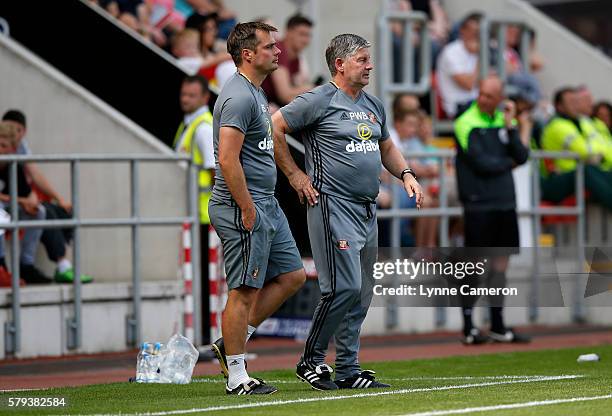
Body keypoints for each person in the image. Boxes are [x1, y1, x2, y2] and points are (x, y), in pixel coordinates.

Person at [272, 33, 423, 390]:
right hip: (331, 206)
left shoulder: (373, 105)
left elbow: (386, 145)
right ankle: (310, 360)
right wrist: (294, 175)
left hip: (367, 211)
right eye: (362, 59)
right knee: (343, 287)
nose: (370, 65)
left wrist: (406, 174)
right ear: (340, 64)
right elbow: (276, 125)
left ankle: (348, 369)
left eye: (369, 59)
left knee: (362, 291)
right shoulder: (318, 100)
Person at [208, 22, 306, 395]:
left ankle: (229, 343)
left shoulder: (255, 92)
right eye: (269, 47)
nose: (277, 52)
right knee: (243, 290)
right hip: (244, 205)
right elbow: (228, 160)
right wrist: (247, 207)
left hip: (267, 203)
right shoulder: (238, 96)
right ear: (248, 54)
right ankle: (236, 376)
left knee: (293, 275)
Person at [454, 76, 531, 345]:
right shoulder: (465, 122)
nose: (483, 99)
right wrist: (508, 163)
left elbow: (522, 156)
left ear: (500, 99)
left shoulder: (502, 122)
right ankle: (468, 327)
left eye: (489, 96)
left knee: (500, 267)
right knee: (475, 266)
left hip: (504, 203)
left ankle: (498, 325)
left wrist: (511, 127)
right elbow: (481, 162)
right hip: (478, 203)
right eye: (482, 93)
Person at [2, 110, 92, 284]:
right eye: (10, 128)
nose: (15, 133)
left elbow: (32, 178)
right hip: (10, 201)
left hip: (17, 197)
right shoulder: (6, 152)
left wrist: (57, 199)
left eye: (18, 130)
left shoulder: (17, 154)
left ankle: (30, 266)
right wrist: (24, 200)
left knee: (48, 210)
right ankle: (61, 265)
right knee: (44, 211)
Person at [173, 75, 215, 344]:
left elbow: (214, 170)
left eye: (191, 95)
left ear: (204, 98)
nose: (185, 99)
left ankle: (205, 338)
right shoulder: (189, 125)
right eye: (183, 94)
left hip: (204, 217)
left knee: (204, 283)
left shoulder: (202, 128)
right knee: (199, 282)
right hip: (193, 215)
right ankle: (201, 337)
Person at [540, 88, 612, 209]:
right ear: (560, 106)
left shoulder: (583, 122)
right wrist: (598, 154)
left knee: (602, 172)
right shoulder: (557, 125)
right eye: (571, 101)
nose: (576, 105)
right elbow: (584, 151)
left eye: (576, 101)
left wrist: (599, 155)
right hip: (555, 180)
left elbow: (603, 148)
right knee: (587, 170)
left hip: (577, 175)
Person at [0, 122, 48, 285]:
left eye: (3, 145)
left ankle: (26, 265)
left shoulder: (13, 165)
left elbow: (27, 192)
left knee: (38, 211)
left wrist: (30, 203)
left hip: (8, 204)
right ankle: (1, 267)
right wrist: (21, 201)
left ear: (12, 149)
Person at [261, 14, 315, 109]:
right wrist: (311, 88)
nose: (306, 40)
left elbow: (293, 93)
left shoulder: (296, 59)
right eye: (302, 34)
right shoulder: (278, 50)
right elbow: (285, 95)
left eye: (308, 36)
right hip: (261, 108)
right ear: (288, 32)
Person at [436, 13, 481, 118]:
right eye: (472, 31)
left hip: (477, 104)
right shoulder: (450, 52)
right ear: (462, 30)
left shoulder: (483, 48)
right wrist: (481, 56)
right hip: (457, 107)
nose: (475, 35)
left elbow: (511, 71)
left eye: (478, 32)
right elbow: (468, 84)